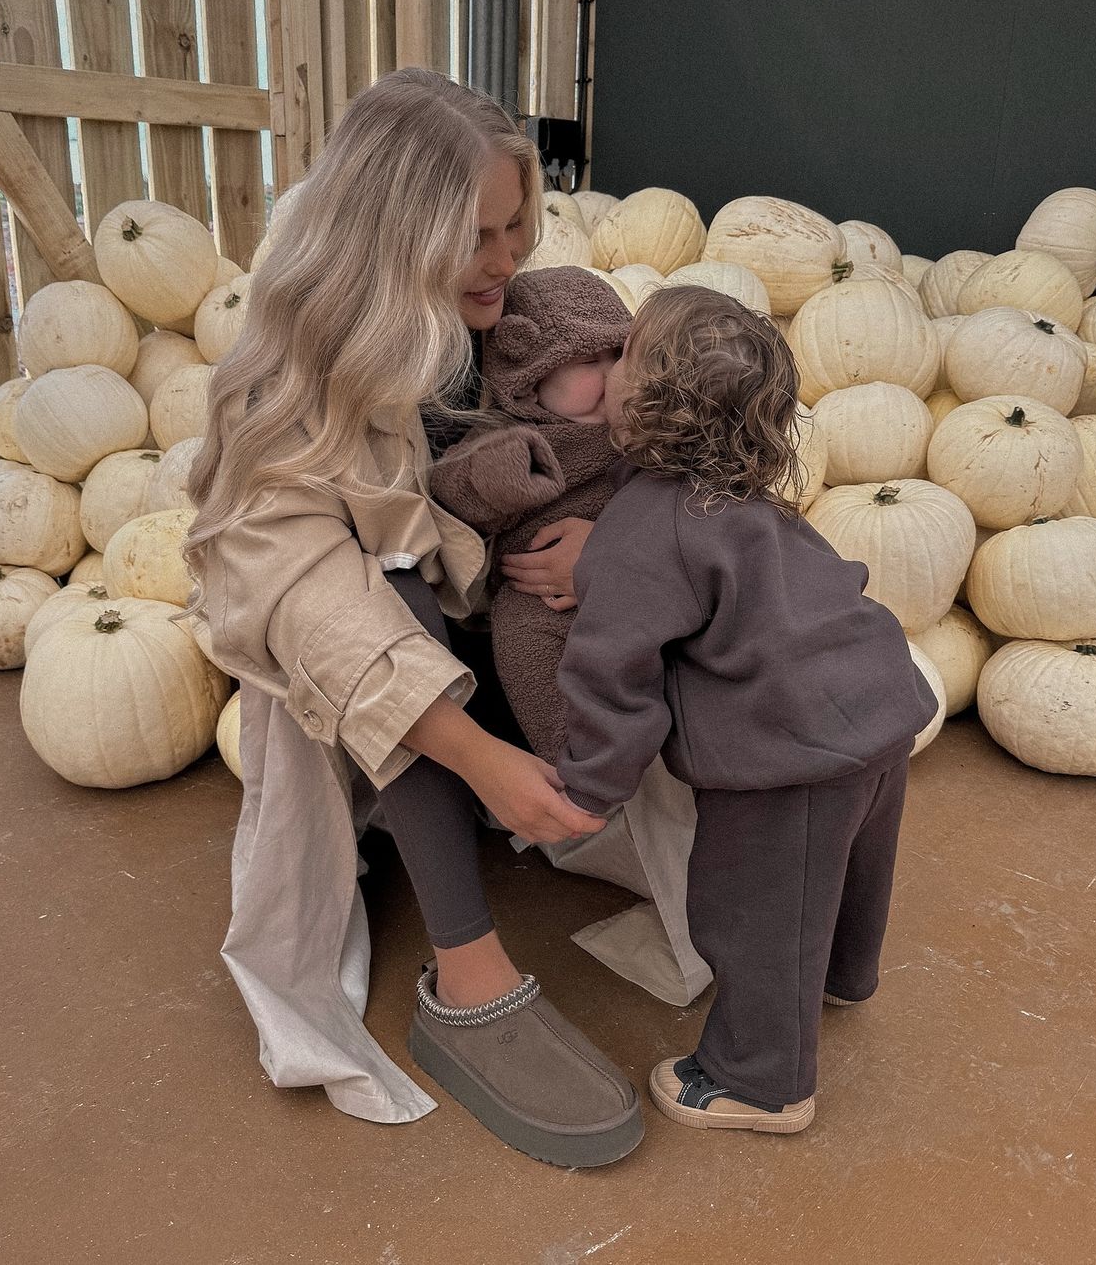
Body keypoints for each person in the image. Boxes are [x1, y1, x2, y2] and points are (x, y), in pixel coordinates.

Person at [182, 68, 643, 1168]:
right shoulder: (287, 381)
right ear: (390, 238)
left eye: (514, 225)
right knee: (383, 585)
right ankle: (466, 967)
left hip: (510, 626)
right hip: (383, 666)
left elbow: (653, 430)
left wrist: (614, 549)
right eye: (473, 235)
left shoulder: (526, 314)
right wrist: (478, 754)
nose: (504, 258)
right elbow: (304, 596)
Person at [554, 287, 939, 1135]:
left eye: (622, 357)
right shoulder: (742, 496)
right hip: (878, 704)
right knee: (851, 872)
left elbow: (612, 673)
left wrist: (588, 788)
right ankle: (845, 974)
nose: (606, 365)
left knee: (753, 912)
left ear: (648, 400)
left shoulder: (642, 532)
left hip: (793, 754)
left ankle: (761, 1082)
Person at [430, 264, 631, 764]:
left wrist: (616, 552)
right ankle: (576, 761)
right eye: (589, 360)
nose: (613, 375)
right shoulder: (505, 437)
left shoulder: (643, 428)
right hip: (538, 598)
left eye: (621, 355)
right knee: (524, 642)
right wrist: (500, 474)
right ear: (529, 381)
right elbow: (452, 494)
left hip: (637, 581)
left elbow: (686, 502)